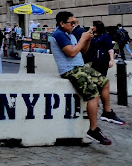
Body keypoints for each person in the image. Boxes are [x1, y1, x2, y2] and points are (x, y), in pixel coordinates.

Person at [49, 11, 125, 145]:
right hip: (70, 69)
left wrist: (87, 41)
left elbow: (82, 51)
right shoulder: (59, 35)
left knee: (104, 82)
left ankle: (107, 112)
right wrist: (83, 38)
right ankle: (93, 129)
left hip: (80, 66)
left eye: (75, 22)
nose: (74, 25)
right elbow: (72, 53)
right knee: (93, 95)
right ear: (62, 23)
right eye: (71, 23)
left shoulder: (69, 34)